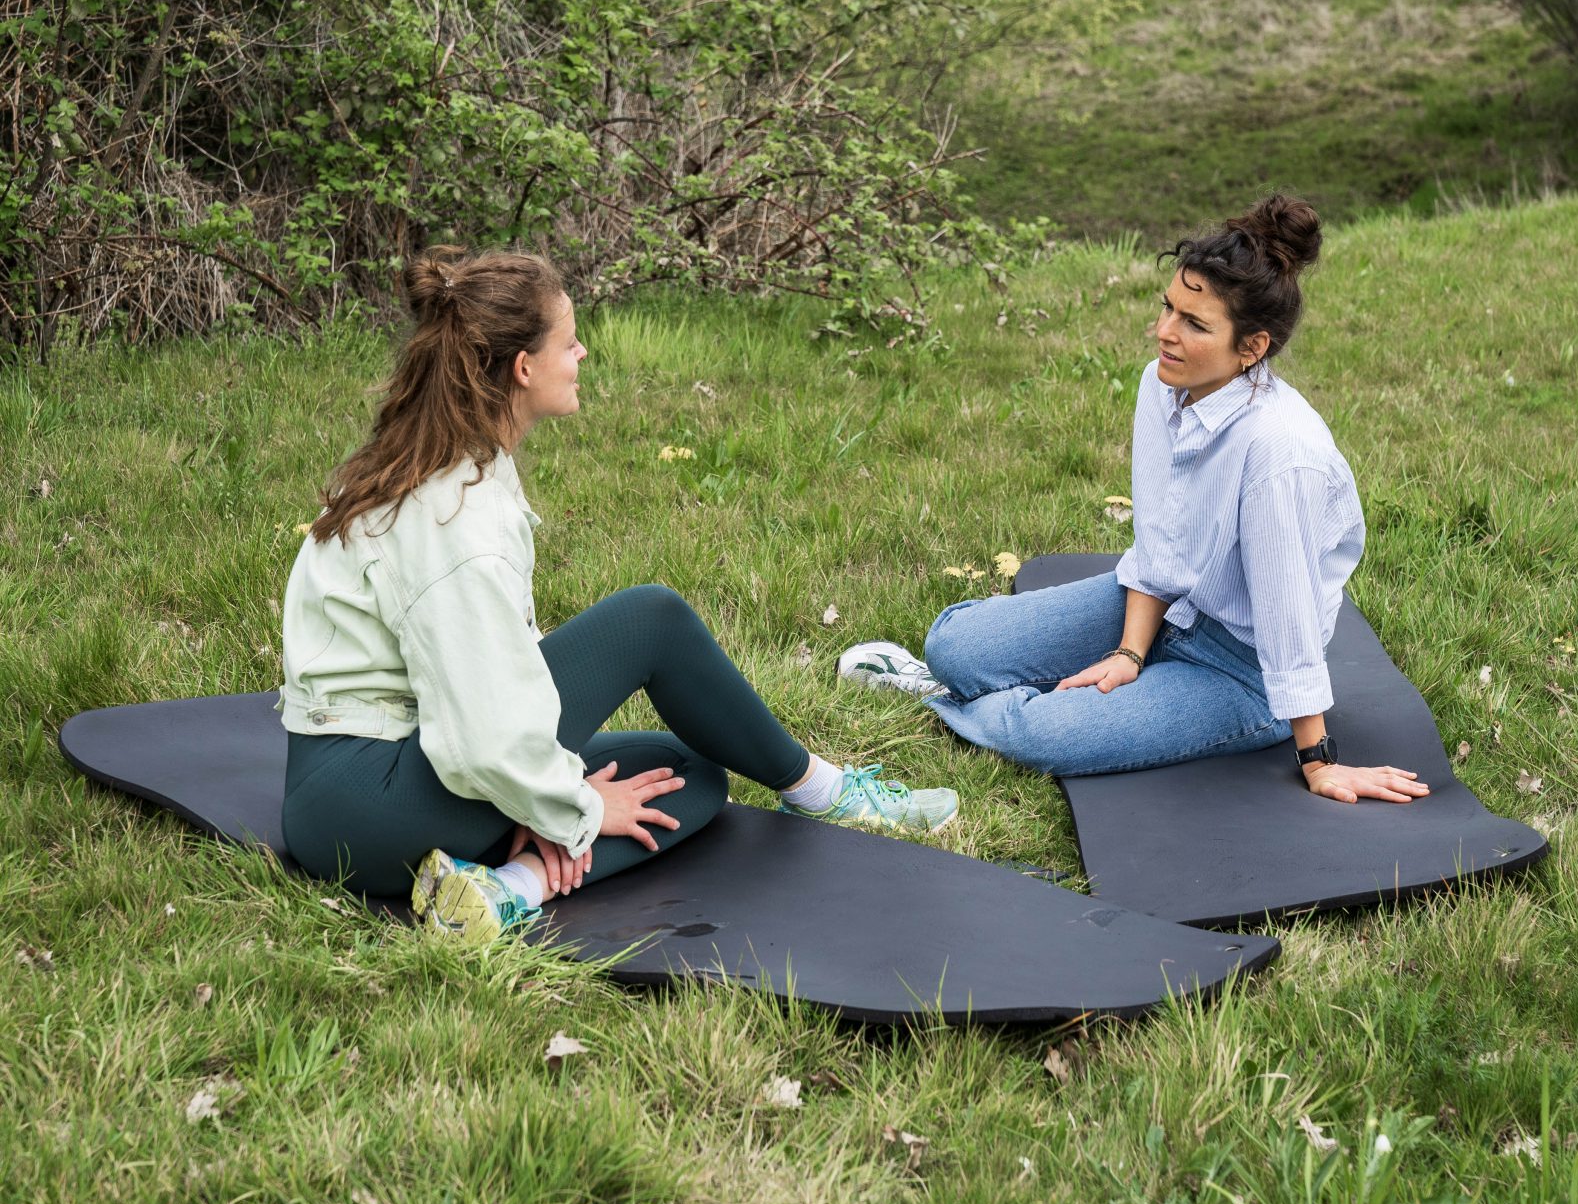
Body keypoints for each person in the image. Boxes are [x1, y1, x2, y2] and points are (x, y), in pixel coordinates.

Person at [279, 247, 957, 941]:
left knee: (687, 772)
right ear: (523, 368)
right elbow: (480, 739)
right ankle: (825, 794)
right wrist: (574, 807)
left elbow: (485, 680)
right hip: (370, 809)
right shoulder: (457, 517)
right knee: (649, 620)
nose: (582, 354)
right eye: (569, 342)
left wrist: (554, 801)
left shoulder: (435, 462)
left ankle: (505, 890)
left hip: (366, 797)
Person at [838, 196, 1429, 806]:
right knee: (955, 647)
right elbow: (1159, 542)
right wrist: (1129, 652)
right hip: (1169, 609)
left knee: (1043, 734)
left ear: (1252, 347)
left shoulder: (1281, 453)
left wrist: (1318, 761)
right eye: (1169, 307)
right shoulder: (1162, 386)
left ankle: (963, 704)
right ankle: (978, 689)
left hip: (1243, 672)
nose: (1165, 332)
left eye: (1195, 324)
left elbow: (1288, 614)